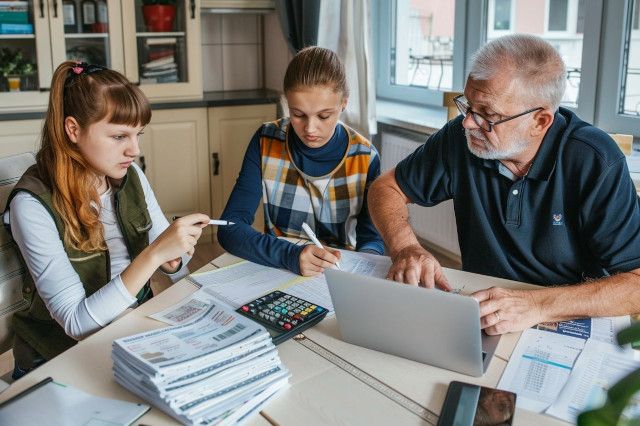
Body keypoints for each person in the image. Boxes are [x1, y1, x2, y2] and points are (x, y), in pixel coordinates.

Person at [368, 34, 640, 335]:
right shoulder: (459, 138)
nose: (468, 123)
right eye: (467, 105)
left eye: (488, 115)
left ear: (540, 121)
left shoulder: (595, 159)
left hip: (567, 316)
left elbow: (636, 284)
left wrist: (536, 305)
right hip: (483, 310)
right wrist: (405, 246)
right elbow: (386, 188)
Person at [3, 61, 209, 378]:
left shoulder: (130, 176)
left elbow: (174, 262)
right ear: (73, 130)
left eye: (138, 134)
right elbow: (76, 324)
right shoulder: (31, 205)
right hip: (60, 359)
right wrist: (154, 254)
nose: (135, 150)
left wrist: (175, 261)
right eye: (119, 136)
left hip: (130, 333)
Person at [218, 46, 384, 276]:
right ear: (286, 102)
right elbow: (229, 228)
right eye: (298, 114)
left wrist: (361, 270)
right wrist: (290, 255)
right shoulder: (266, 140)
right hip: (279, 267)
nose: (310, 128)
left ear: (343, 103)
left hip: (340, 274)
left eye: (324, 116)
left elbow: (373, 240)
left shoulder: (366, 157)